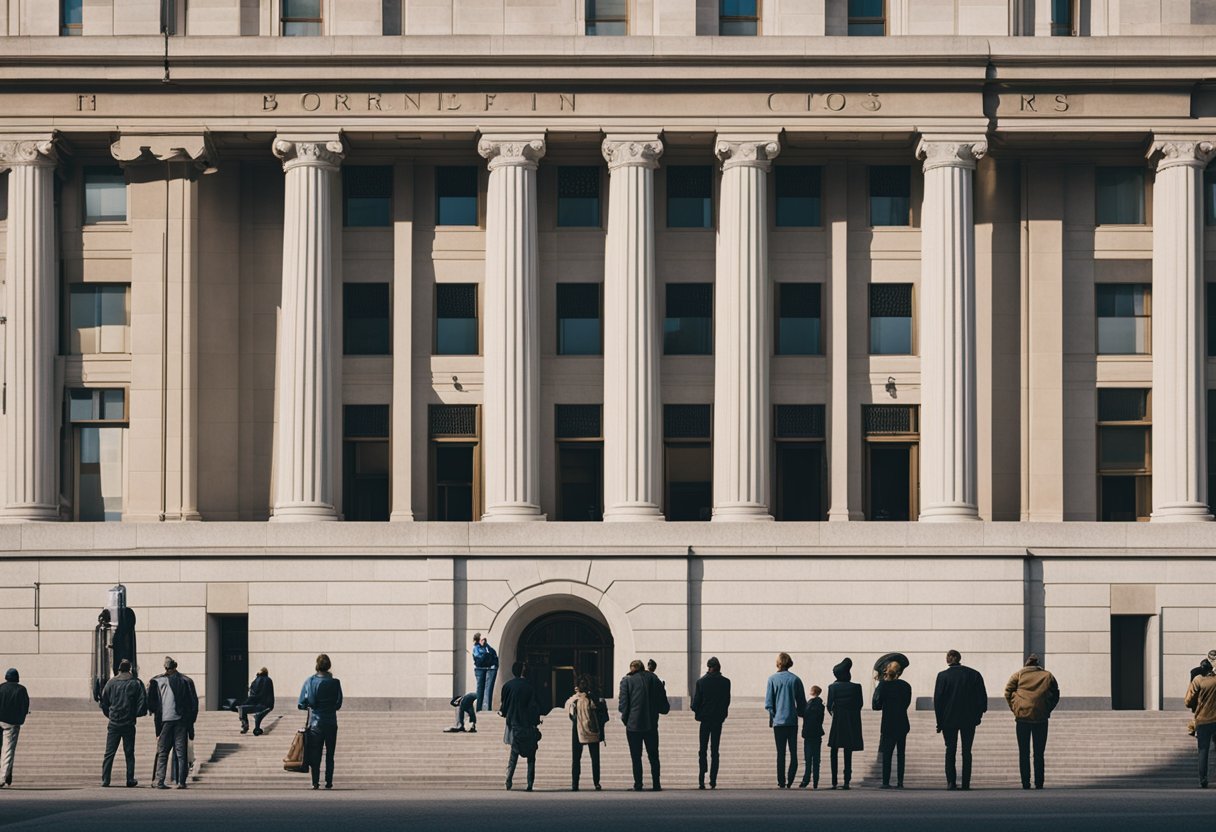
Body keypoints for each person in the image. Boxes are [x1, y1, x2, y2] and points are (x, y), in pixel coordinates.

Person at [933, 649, 988, 790]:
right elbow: (982, 698)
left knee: (950, 750)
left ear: (950, 659)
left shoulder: (942, 676)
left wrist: (939, 721)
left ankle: (951, 782)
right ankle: (965, 783)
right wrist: (978, 715)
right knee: (966, 751)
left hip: (949, 719)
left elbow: (938, 700)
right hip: (969, 719)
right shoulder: (974, 674)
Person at [1004, 654, 1059, 790]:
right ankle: (1039, 782)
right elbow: (1055, 694)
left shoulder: (1018, 675)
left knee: (1024, 752)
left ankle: (1025, 782)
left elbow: (1007, 692)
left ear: (1027, 664)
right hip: (1041, 718)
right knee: (1039, 753)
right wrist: (1047, 708)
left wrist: (1015, 707)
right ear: (1038, 664)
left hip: (1022, 717)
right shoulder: (1047, 675)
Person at [147, 656, 199, 790]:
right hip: (181, 720)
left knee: (163, 751)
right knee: (181, 752)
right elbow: (194, 704)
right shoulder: (186, 681)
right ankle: (181, 782)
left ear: (165, 667)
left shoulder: (156, 680)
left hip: (164, 720)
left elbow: (151, 703)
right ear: (176, 666)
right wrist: (191, 721)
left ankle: (159, 780)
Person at [619, 658, 668, 791]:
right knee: (653, 755)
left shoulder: (627, 681)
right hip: (651, 723)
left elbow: (623, 704)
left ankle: (638, 784)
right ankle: (656, 784)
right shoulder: (654, 679)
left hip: (633, 725)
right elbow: (663, 702)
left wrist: (626, 719)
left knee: (636, 756)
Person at [298, 653, 343, 790]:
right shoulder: (336, 682)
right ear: (329, 665)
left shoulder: (310, 681)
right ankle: (328, 782)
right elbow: (338, 703)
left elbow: (302, 703)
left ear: (317, 665)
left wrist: (309, 705)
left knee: (315, 753)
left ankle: (315, 782)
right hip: (331, 722)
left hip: (316, 723)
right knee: (330, 754)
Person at [99, 658, 146, 788]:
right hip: (129, 723)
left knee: (109, 753)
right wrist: (135, 714)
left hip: (114, 722)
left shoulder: (111, 683)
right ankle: (130, 779)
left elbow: (104, 702)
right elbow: (142, 702)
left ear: (119, 669)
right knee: (129, 753)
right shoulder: (136, 683)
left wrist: (110, 715)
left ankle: (105, 779)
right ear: (130, 669)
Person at [764, 652, 806, 789]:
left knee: (780, 753)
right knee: (793, 753)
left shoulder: (772, 679)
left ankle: (781, 781)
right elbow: (801, 704)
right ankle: (790, 780)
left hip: (778, 722)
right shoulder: (795, 679)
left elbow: (769, 703)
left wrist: (774, 716)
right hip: (792, 722)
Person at [691, 656, 731, 790]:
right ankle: (713, 780)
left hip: (705, 719)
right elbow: (727, 701)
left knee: (702, 749)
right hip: (717, 720)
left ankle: (701, 778)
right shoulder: (726, 682)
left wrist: (697, 710)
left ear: (709, 667)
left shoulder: (701, 682)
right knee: (715, 750)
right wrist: (723, 714)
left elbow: (695, 703)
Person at [500, 661, 541, 791]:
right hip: (527, 724)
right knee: (531, 756)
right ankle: (529, 783)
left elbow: (504, 707)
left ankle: (508, 780)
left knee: (514, 754)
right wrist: (536, 721)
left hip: (513, 723)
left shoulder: (507, 686)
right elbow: (534, 707)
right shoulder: (530, 687)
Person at [873, 660, 911, 789]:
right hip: (902, 723)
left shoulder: (883, 686)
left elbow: (876, 706)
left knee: (887, 754)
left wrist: (877, 686)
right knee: (901, 754)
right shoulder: (906, 686)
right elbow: (906, 704)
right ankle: (900, 782)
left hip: (888, 723)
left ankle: (885, 782)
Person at [827, 657, 863, 790]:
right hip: (850, 723)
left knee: (834, 751)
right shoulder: (856, 687)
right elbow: (859, 704)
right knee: (848, 752)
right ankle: (847, 780)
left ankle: (834, 781)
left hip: (838, 723)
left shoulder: (833, 687)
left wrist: (835, 713)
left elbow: (829, 705)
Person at [565, 674, 605, 791]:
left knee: (576, 758)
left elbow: (570, 714)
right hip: (593, 730)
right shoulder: (593, 698)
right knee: (595, 758)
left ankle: (575, 783)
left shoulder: (574, 700)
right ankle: (596, 783)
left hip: (578, 730)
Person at [1184, 661, 1216, 788]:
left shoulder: (1198, 681)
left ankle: (1203, 780)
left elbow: (1187, 701)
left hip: (1203, 720)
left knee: (1203, 751)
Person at [0, 668, 29, 789]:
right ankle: (2, 778)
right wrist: (21, 718)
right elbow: (25, 706)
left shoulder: (0, 687)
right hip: (12, 723)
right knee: (8, 750)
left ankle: (5, 777)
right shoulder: (21, 690)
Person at [798, 685, 825, 789]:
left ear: (812, 692)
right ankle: (815, 781)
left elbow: (803, 714)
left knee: (808, 758)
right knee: (816, 759)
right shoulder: (820, 705)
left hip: (808, 735)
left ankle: (806, 779)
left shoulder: (809, 704)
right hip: (817, 734)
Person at [237, 667, 275, 736]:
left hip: (260, 705)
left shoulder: (258, 680)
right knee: (244, 709)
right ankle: (255, 727)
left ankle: (245, 726)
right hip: (268, 705)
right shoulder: (269, 680)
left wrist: (246, 702)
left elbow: (255, 695)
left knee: (241, 708)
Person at [1188, 656, 1214, 736]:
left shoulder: (1194, 672)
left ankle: (1196, 729)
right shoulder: (1211, 677)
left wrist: (1189, 702)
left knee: (1197, 714)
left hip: (1197, 696)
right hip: (1208, 699)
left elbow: (1191, 687)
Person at [472, 634, 499, 712]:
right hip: (480, 669)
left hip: (489, 668)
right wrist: (486, 655)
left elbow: (493, 656)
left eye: (484, 640)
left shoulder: (488, 648)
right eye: (482, 639)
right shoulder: (476, 648)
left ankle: (486, 708)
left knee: (488, 689)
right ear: (478, 640)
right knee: (480, 689)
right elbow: (479, 659)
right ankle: (479, 708)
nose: (483, 641)